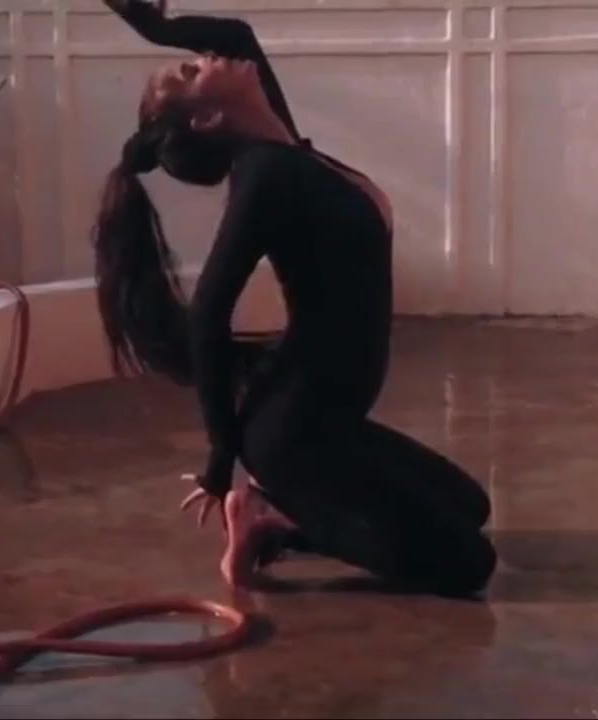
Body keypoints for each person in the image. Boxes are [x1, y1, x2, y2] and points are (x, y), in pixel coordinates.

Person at [94, 0, 497, 597]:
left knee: (470, 506)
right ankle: (276, 521)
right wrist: (221, 458)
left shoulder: (285, 147)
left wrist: (156, 27)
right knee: (469, 564)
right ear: (209, 117)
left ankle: (272, 511)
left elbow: (237, 35)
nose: (208, 57)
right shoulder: (265, 176)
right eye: (193, 69)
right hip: (294, 435)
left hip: (330, 423)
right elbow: (207, 314)